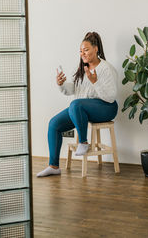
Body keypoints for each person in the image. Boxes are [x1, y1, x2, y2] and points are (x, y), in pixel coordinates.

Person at [36, 32, 118, 177]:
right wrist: (61, 84)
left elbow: (111, 97)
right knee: (54, 124)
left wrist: (95, 82)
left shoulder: (106, 68)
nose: (83, 54)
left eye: (86, 50)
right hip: (81, 108)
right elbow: (73, 90)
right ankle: (54, 166)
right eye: (81, 51)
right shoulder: (82, 69)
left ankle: (83, 142)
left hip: (107, 107)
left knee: (76, 104)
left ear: (96, 49)